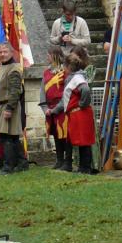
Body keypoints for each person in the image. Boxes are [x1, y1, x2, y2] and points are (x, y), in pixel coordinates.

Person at [51, 47, 97, 175]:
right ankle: (83, 167)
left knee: (84, 142)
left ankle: (85, 168)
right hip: (76, 113)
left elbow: (85, 90)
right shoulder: (75, 77)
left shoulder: (77, 78)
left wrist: (82, 104)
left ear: (68, 67)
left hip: (80, 113)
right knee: (80, 141)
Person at [0, 42, 26, 174]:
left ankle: (8, 166)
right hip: (2, 106)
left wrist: (9, 108)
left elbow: (15, 90)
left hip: (8, 106)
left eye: (5, 52)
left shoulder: (13, 69)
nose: (2, 54)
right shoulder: (4, 66)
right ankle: (22, 163)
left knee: (7, 137)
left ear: (11, 53)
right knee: (12, 137)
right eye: (0, 52)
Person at [39, 47, 71, 172]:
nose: (47, 57)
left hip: (62, 109)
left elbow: (67, 92)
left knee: (64, 135)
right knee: (56, 135)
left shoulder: (65, 72)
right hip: (49, 109)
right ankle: (59, 160)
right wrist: (45, 108)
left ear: (55, 56)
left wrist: (57, 108)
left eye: (49, 54)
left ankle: (67, 161)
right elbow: (43, 91)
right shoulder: (46, 72)